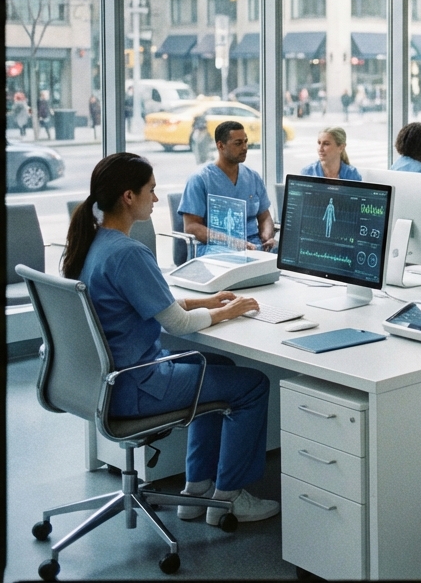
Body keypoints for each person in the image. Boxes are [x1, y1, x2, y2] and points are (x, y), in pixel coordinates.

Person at [62, 153, 279, 524]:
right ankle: (229, 498)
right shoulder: (129, 253)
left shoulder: (96, 244)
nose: (157, 198)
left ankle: (197, 491)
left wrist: (206, 301)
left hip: (106, 382)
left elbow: (149, 303)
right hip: (137, 386)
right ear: (128, 196)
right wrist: (229, 311)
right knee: (253, 386)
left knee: (218, 366)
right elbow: (178, 324)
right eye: (151, 190)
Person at [179, 121, 275, 256]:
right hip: (216, 247)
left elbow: (265, 216)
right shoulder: (200, 179)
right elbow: (191, 227)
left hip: (253, 246)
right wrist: (233, 242)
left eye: (245, 142)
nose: (245, 147)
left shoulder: (253, 177)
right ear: (220, 146)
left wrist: (266, 236)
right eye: (238, 143)